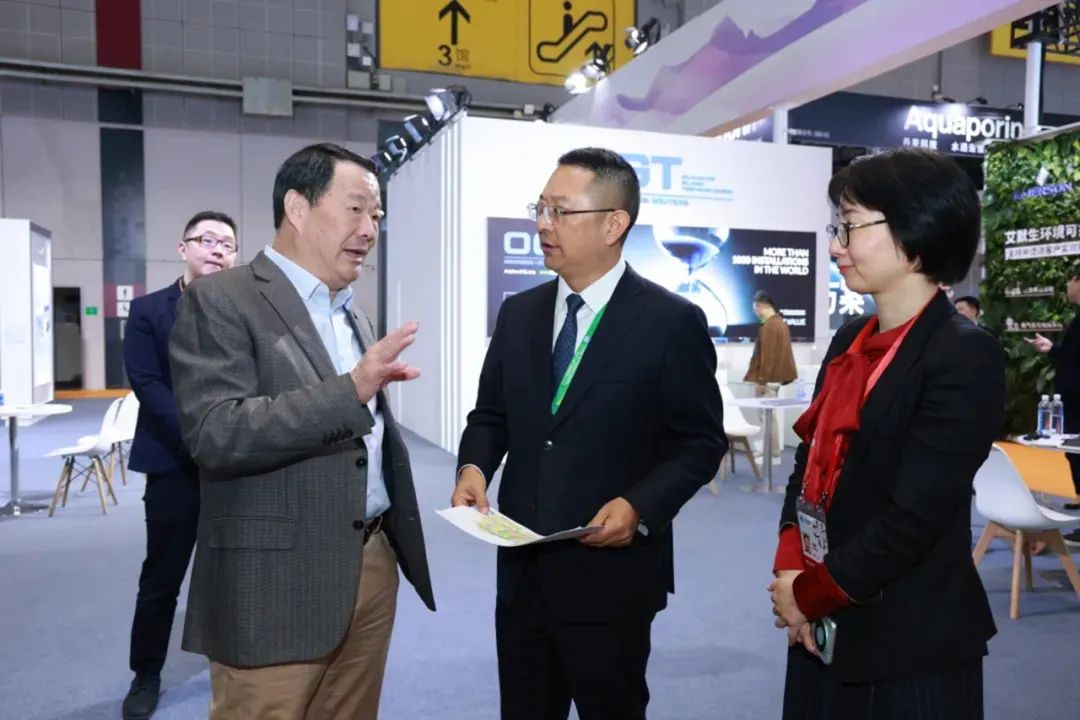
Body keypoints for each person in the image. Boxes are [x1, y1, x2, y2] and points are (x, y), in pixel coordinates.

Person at [452, 147, 727, 720]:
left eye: (560, 211)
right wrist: (474, 468)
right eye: (540, 208)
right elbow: (491, 415)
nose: (542, 224)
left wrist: (640, 505)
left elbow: (699, 442)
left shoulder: (671, 322)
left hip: (611, 579)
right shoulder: (519, 313)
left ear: (613, 223)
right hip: (523, 573)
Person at [169, 143, 435, 719]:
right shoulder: (222, 299)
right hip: (275, 583)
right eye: (356, 209)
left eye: (377, 215)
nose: (370, 229)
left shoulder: (352, 310)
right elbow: (216, 432)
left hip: (369, 563)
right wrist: (351, 389)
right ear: (297, 207)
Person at [769, 149, 1004, 719]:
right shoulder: (850, 337)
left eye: (849, 227)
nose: (835, 246)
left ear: (916, 231)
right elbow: (809, 464)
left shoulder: (962, 355)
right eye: (838, 228)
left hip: (907, 641)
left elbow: (914, 517)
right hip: (820, 620)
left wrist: (807, 595)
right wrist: (791, 563)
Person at [121, 211, 238, 720]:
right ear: (183, 248)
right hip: (174, 462)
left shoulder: (244, 309)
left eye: (227, 244)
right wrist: (201, 435)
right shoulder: (149, 310)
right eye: (207, 240)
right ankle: (145, 674)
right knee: (162, 579)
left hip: (235, 466)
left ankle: (236, 667)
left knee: (233, 575)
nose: (217, 250)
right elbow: (146, 383)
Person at [1025, 266, 1080, 519]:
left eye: (1070, 280)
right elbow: (1072, 356)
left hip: (1077, 399)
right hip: (1071, 398)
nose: (1067, 286)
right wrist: (1052, 348)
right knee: (1074, 452)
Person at [744, 289, 798, 461]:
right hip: (775, 378)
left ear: (760, 307)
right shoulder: (780, 324)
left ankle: (771, 450)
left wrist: (762, 381)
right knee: (770, 416)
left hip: (768, 379)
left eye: (755, 308)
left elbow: (767, 357)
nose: (755, 312)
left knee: (767, 417)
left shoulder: (769, 326)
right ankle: (771, 449)